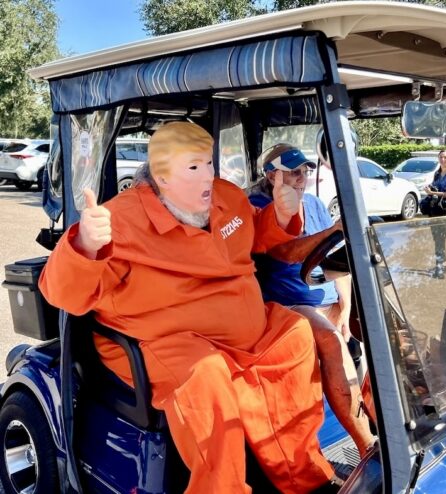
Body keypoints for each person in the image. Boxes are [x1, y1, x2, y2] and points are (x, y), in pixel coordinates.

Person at [39, 122, 339, 494]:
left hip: (244, 333)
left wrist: (279, 215)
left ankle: (299, 474)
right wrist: (84, 245)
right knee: (206, 374)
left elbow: (256, 234)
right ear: (161, 178)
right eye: (194, 168)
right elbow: (62, 293)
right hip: (165, 339)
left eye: (209, 165)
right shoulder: (122, 220)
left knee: (296, 333)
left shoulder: (226, 197)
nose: (209, 177)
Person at [248, 143, 376, 457]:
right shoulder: (258, 206)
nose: (301, 178)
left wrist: (344, 304)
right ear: (271, 175)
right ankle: (366, 445)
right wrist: (333, 229)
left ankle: (382, 421)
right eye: (293, 172)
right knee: (332, 341)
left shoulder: (315, 204)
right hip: (287, 301)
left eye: (305, 171)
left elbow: (334, 258)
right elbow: (286, 252)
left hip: (324, 296)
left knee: (378, 329)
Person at [419, 148, 446, 279]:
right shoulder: (438, 173)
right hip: (434, 211)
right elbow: (435, 187)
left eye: (445, 157)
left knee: (439, 240)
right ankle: (443, 265)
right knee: (438, 240)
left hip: (445, 211)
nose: (443, 160)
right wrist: (429, 189)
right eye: (441, 157)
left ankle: (440, 269)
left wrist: (432, 193)